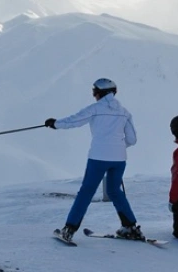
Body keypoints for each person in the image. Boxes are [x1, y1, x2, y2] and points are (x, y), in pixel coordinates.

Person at [45, 77, 142, 243]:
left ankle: (68, 230)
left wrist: (55, 124)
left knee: (86, 192)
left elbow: (73, 120)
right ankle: (131, 227)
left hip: (98, 157)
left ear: (99, 93)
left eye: (94, 92)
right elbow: (132, 140)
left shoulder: (95, 109)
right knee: (114, 191)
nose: (93, 95)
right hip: (119, 159)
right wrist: (117, 147)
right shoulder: (124, 112)